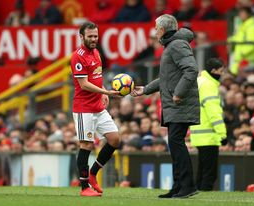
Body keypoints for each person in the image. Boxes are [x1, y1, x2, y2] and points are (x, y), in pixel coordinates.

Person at [131, 14, 200, 198]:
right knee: (175, 143)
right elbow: (167, 78)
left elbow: (192, 69)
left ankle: (187, 186)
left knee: (176, 143)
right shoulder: (173, 45)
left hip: (179, 103)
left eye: (155, 28)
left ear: (162, 29)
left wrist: (179, 93)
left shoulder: (177, 45)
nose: (154, 32)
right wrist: (145, 89)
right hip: (174, 104)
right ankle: (179, 187)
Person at [70, 21, 121, 197]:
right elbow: (84, 84)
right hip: (84, 108)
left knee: (114, 139)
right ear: (81, 36)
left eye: (95, 36)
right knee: (86, 145)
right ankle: (84, 188)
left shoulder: (97, 52)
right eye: (90, 36)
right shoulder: (78, 56)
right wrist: (106, 91)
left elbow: (96, 76)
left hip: (98, 106)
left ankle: (92, 174)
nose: (93, 39)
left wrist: (102, 93)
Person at [189, 58, 227, 191]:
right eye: (221, 71)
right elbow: (213, 112)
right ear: (213, 71)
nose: (222, 74)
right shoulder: (209, 85)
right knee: (209, 172)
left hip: (197, 132)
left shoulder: (199, 82)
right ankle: (204, 193)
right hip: (209, 134)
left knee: (202, 168)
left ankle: (198, 191)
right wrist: (222, 133)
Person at [228, 7, 254, 75]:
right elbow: (239, 38)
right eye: (240, 13)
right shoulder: (244, 25)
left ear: (248, 14)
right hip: (240, 60)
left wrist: (241, 53)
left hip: (248, 61)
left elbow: (252, 44)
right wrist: (229, 40)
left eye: (242, 13)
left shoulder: (252, 26)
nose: (240, 15)